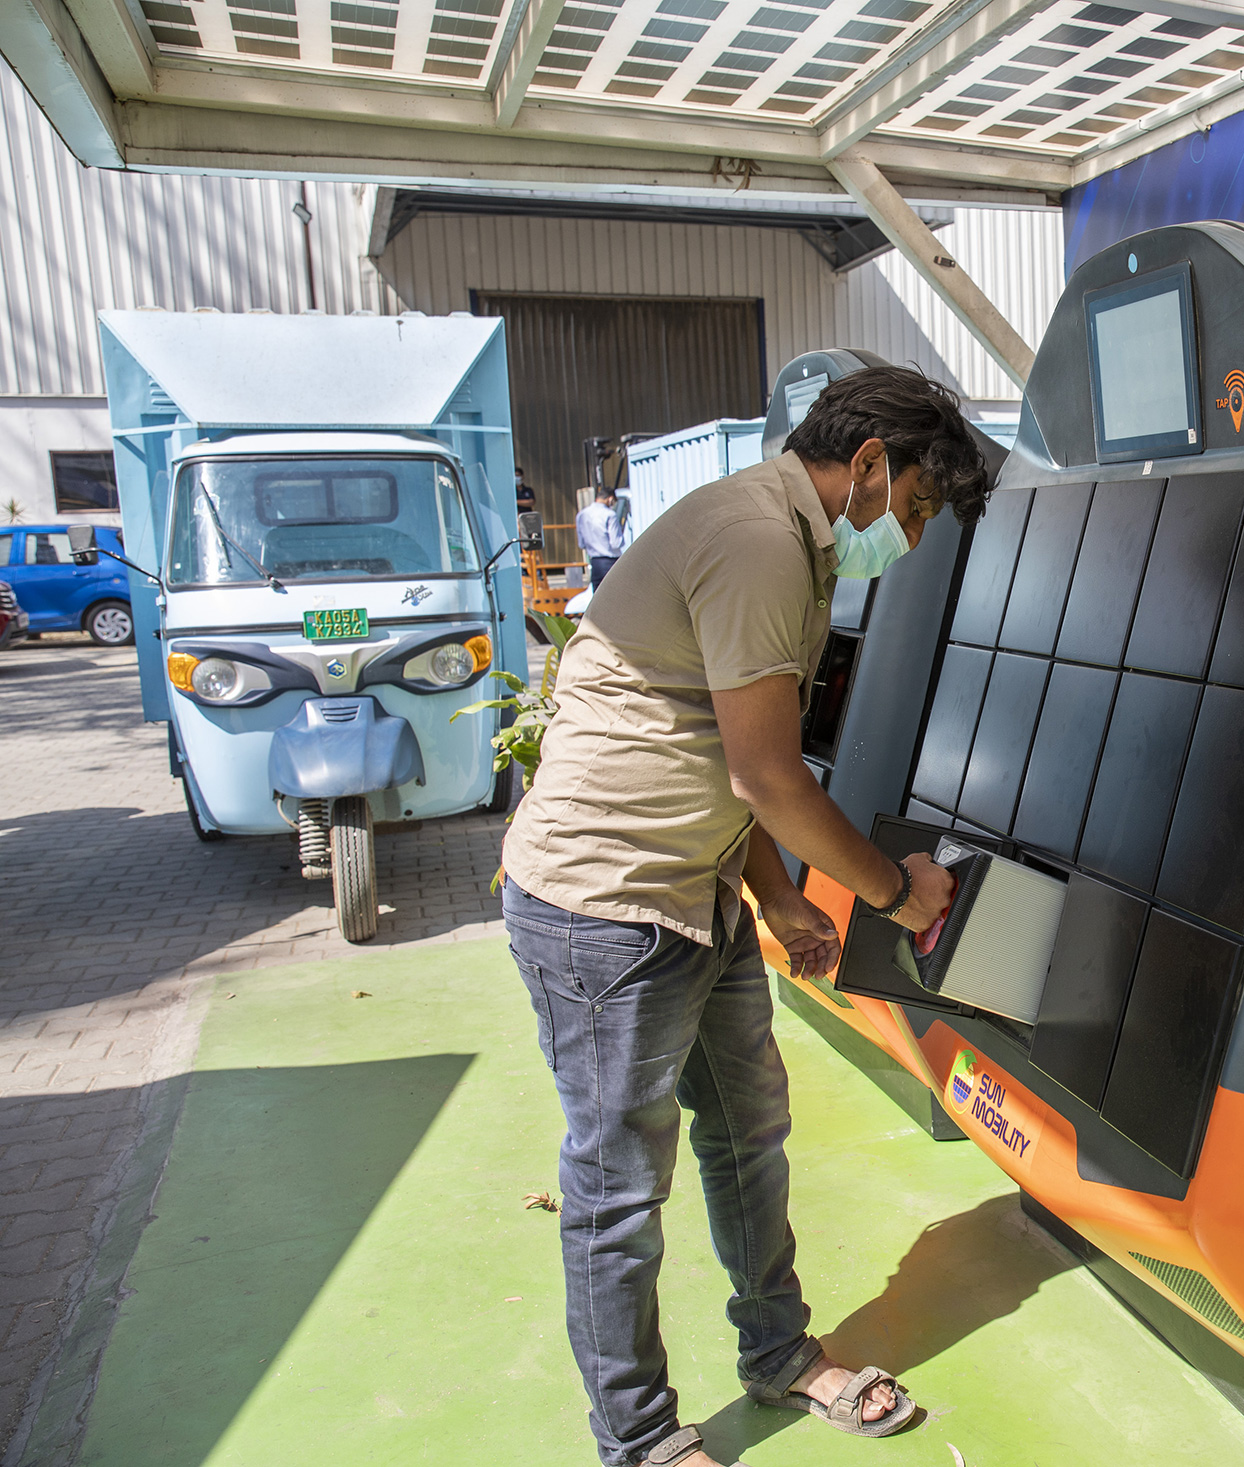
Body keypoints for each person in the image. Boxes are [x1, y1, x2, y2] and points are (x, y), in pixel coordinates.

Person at [500, 366, 990, 1467]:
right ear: (868, 465)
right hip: (604, 913)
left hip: (697, 893)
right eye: (911, 508)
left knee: (749, 1136)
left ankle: (778, 1355)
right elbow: (771, 776)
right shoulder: (761, 540)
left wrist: (772, 895)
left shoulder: (788, 534)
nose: (907, 537)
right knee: (619, 1187)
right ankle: (637, 1441)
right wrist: (893, 893)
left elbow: (719, 756)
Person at [577, 484, 628, 589]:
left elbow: (581, 544)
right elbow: (616, 543)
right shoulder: (609, 514)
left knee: (598, 599)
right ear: (610, 499)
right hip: (610, 561)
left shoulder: (582, 515)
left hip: (595, 562)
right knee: (615, 596)